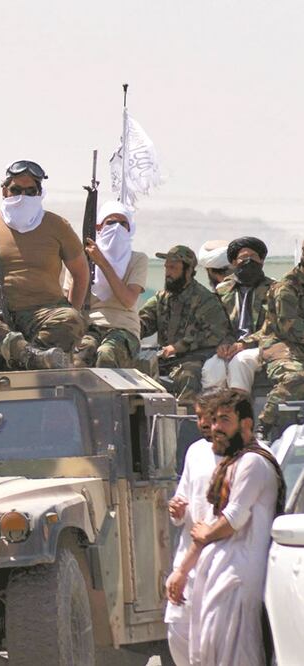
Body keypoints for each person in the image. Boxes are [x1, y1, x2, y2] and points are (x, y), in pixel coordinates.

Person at [166, 391, 283, 666]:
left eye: (225, 420)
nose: (215, 427)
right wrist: (183, 569)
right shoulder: (227, 460)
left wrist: (202, 539)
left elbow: (230, 520)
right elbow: (208, 526)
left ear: (246, 424)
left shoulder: (254, 461)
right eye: (213, 420)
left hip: (237, 576)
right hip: (214, 573)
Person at [0, 160, 83, 367]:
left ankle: (29, 356)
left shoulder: (57, 225)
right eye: (16, 190)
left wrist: (72, 308)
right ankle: (29, 356)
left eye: (31, 191)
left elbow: (80, 272)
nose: (23, 196)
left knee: (71, 318)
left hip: (44, 312)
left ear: (39, 193)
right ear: (5, 191)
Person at [163, 388, 226, 665]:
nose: (200, 422)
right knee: (178, 632)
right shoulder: (195, 451)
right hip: (187, 560)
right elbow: (184, 497)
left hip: (223, 562)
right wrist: (176, 511)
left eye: (206, 416)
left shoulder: (248, 456)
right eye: (198, 416)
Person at [139, 245, 233, 404]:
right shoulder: (161, 298)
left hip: (194, 358)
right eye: (166, 267)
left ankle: (184, 423)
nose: (168, 272)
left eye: (173, 267)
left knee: (188, 375)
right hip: (165, 359)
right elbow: (143, 322)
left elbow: (216, 334)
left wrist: (179, 346)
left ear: (188, 270)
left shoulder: (205, 299)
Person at [72, 201, 148, 368]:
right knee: (79, 358)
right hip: (90, 327)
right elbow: (71, 303)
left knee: (107, 355)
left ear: (130, 230)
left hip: (123, 329)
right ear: (99, 227)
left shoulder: (137, 260)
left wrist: (102, 263)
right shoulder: (83, 259)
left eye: (123, 224)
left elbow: (128, 300)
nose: (117, 228)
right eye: (111, 223)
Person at [202, 237, 273, 395]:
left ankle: (240, 411)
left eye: (253, 257)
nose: (248, 261)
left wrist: (245, 344)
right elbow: (216, 324)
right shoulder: (222, 291)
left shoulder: (275, 290)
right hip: (230, 347)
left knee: (241, 362)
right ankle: (214, 414)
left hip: (261, 346)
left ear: (261, 260)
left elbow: (274, 326)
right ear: (234, 262)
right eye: (243, 258)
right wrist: (223, 343)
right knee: (212, 368)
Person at [254, 241, 304, 441]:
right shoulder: (287, 287)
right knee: (297, 376)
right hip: (281, 343)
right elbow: (289, 327)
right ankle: (264, 426)